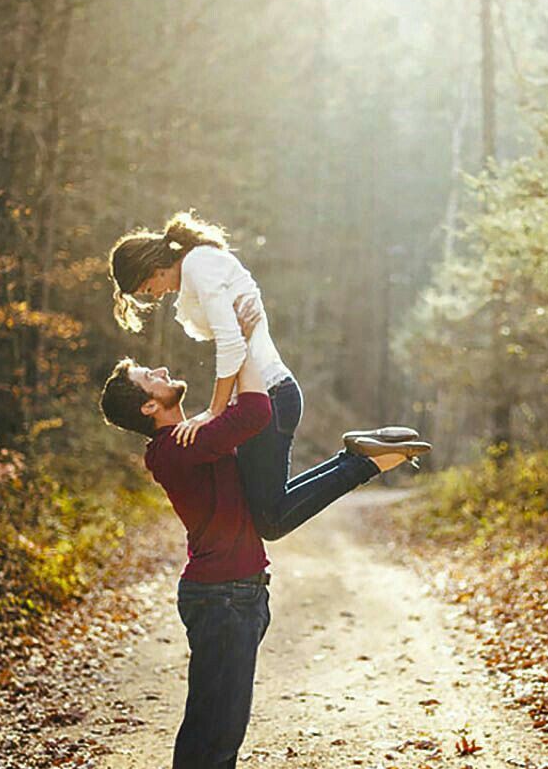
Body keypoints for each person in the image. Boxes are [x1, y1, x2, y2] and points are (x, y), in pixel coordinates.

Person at [98, 332, 423, 769]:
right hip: (219, 599)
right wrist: (237, 336)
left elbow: (267, 503)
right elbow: (255, 410)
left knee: (228, 731)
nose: (160, 367)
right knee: (207, 736)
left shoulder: (193, 432)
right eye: (148, 375)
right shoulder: (175, 446)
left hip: (244, 594)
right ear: (149, 406)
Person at [108, 211, 431, 541]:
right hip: (267, 391)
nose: (157, 295)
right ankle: (359, 455)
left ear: (153, 267)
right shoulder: (196, 271)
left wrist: (214, 411)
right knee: (269, 506)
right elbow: (234, 339)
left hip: (270, 393)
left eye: (149, 288)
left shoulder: (197, 266)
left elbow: (233, 343)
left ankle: (364, 463)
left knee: (271, 520)